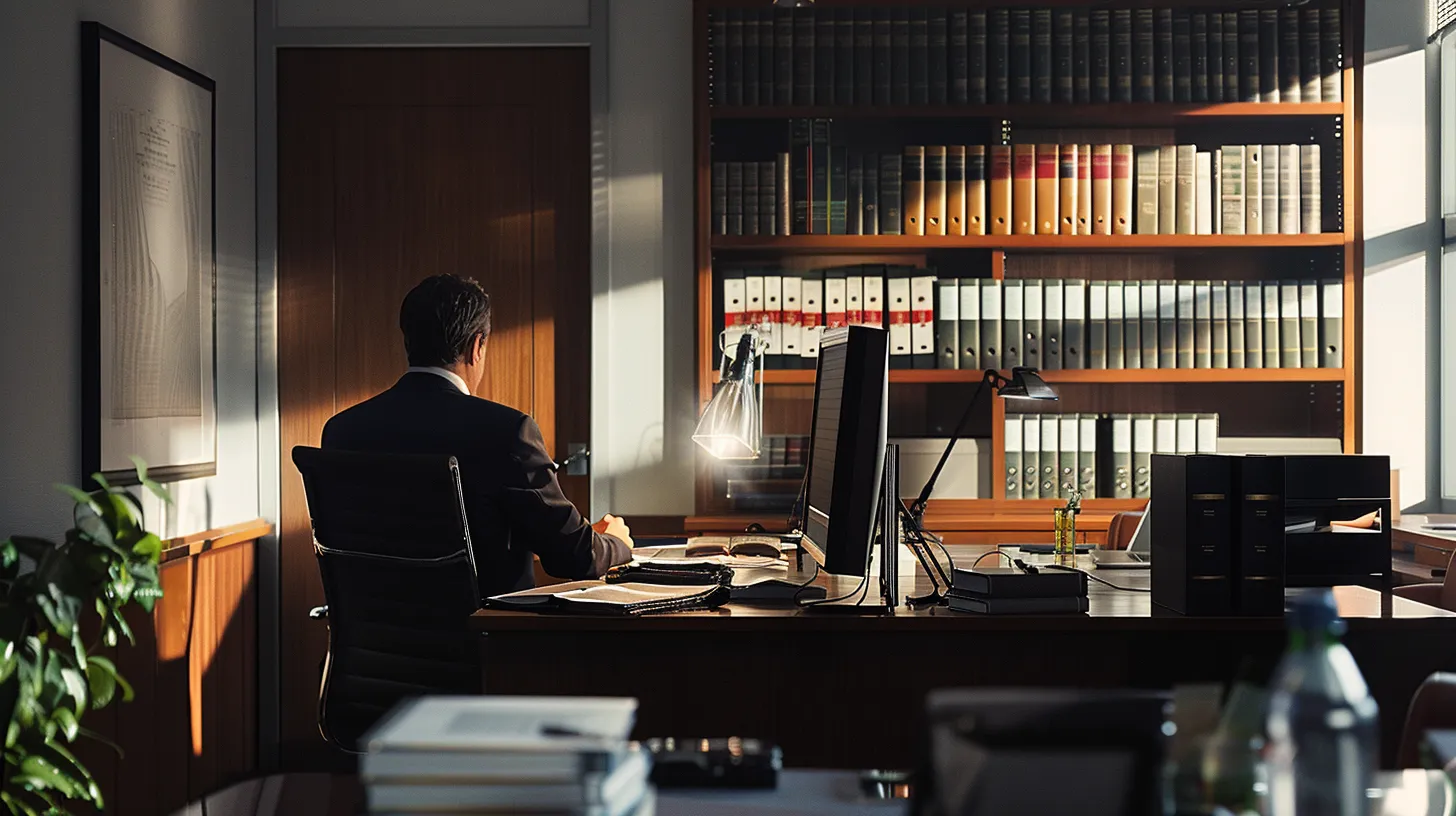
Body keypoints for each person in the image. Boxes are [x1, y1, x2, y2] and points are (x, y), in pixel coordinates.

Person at [321, 274, 633, 598]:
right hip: (484, 637)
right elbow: (576, 556)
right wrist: (616, 543)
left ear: (407, 341)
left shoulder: (342, 431)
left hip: (374, 641)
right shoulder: (507, 432)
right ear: (477, 346)